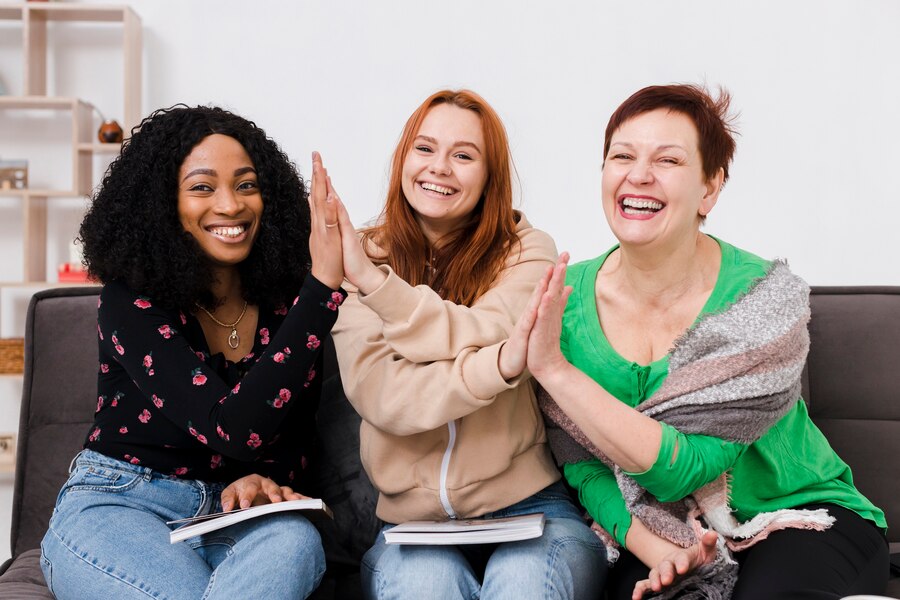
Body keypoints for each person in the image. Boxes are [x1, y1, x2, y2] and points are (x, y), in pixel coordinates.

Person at [508, 84, 890, 599]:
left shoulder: (763, 300)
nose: (638, 174)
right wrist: (660, 551)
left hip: (798, 515)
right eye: (622, 155)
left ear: (710, 188)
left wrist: (555, 370)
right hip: (659, 529)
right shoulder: (564, 300)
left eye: (668, 159)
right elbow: (585, 467)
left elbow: (681, 470)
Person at [40, 105, 345, 599]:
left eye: (246, 185)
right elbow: (232, 428)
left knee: (296, 542)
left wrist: (264, 479)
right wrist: (323, 287)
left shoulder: (289, 303)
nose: (230, 205)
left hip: (238, 517)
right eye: (202, 187)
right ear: (163, 205)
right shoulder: (129, 302)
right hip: (124, 504)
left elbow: (295, 440)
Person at [326, 89, 607, 599]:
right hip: (413, 529)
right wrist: (500, 365)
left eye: (463, 155)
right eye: (425, 149)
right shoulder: (359, 259)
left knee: (523, 583)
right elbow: (386, 397)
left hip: (533, 509)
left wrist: (379, 289)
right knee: (422, 585)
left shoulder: (528, 249)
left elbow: (488, 330)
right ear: (403, 159)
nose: (440, 168)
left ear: (489, 176)